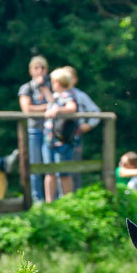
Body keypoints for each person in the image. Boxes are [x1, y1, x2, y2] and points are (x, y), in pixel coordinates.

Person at [18, 55, 53, 203]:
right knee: (34, 165)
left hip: (50, 130)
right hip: (33, 130)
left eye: (42, 67)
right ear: (30, 70)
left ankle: (53, 199)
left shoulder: (51, 86)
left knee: (50, 165)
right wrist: (46, 108)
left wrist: (44, 88)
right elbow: (27, 109)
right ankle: (36, 199)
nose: (39, 71)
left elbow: (54, 103)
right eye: (36, 68)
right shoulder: (26, 88)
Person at [42, 67, 78, 203]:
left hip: (61, 140)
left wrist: (58, 109)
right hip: (50, 139)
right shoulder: (55, 96)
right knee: (49, 171)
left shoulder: (67, 94)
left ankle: (67, 201)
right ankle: (49, 202)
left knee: (63, 173)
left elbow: (72, 108)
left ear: (58, 82)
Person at [63, 65, 101, 191]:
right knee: (58, 169)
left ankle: (75, 197)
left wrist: (88, 125)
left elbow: (96, 112)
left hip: (75, 136)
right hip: (58, 137)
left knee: (75, 167)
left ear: (75, 79)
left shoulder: (80, 95)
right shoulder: (56, 94)